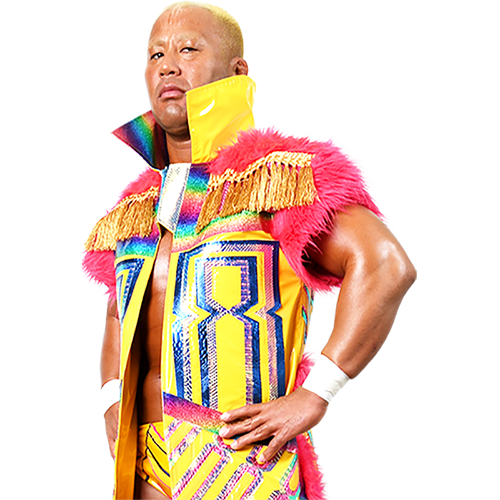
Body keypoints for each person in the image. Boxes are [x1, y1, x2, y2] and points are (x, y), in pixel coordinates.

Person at [83, 2, 416, 499]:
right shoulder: (137, 206)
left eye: (188, 49)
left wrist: (316, 394)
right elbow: (120, 308)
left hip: (242, 463)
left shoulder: (275, 178)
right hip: (146, 462)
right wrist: (112, 396)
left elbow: (384, 264)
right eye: (155, 54)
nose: (167, 66)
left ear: (237, 71)